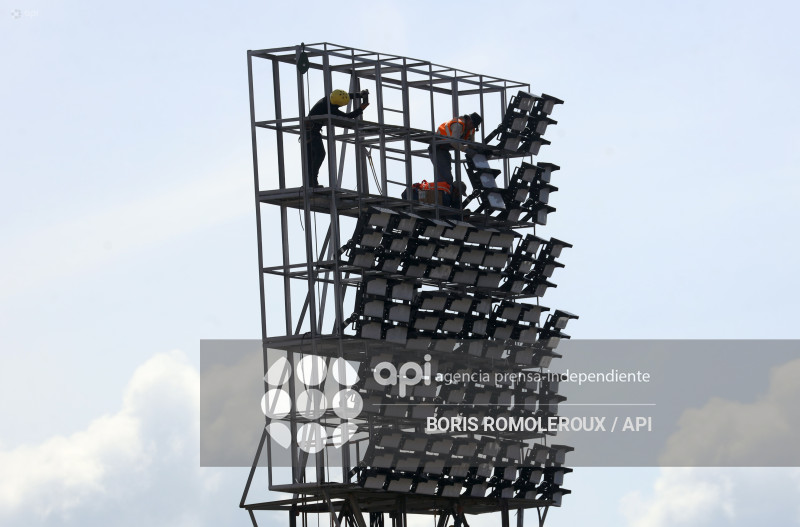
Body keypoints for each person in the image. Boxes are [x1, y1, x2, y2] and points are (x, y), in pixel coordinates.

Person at [304, 89, 369, 188]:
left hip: (309, 132)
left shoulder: (328, 98)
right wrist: (361, 109)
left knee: (312, 158)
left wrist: (359, 94)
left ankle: (311, 183)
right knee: (319, 154)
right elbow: (348, 116)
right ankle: (312, 183)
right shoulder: (331, 109)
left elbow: (345, 96)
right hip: (311, 133)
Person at [429, 112, 482, 186]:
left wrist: (479, 150)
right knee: (445, 177)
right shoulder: (458, 124)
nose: (472, 127)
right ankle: (441, 194)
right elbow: (453, 142)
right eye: (472, 124)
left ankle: (445, 194)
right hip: (437, 148)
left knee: (447, 176)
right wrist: (466, 150)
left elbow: (472, 144)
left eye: (474, 126)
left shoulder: (471, 130)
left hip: (444, 150)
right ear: (469, 120)